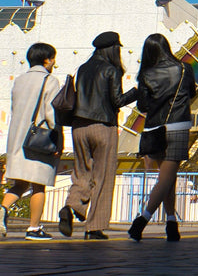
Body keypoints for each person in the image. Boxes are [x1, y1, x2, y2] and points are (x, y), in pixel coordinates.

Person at [59, 31, 136, 240]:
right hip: (103, 127)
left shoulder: (83, 69)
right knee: (103, 177)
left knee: (82, 172)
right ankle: (94, 227)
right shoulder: (111, 69)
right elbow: (117, 101)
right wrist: (137, 92)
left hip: (79, 126)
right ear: (113, 48)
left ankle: (71, 206)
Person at [127, 33, 197, 241]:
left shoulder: (146, 74)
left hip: (155, 128)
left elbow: (142, 105)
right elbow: (191, 93)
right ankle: (143, 220)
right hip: (178, 125)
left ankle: (171, 223)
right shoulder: (185, 69)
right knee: (167, 178)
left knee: (168, 179)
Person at [0, 43, 63, 240]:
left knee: (21, 183)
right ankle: (33, 228)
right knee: (38, 185)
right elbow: (51, 113)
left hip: (18, 138)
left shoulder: (20, 80)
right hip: (39, 139)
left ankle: (3, 208)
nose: (54, 62)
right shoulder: (50, 80)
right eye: (53, 58)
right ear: (46, 59)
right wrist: (57, 138)